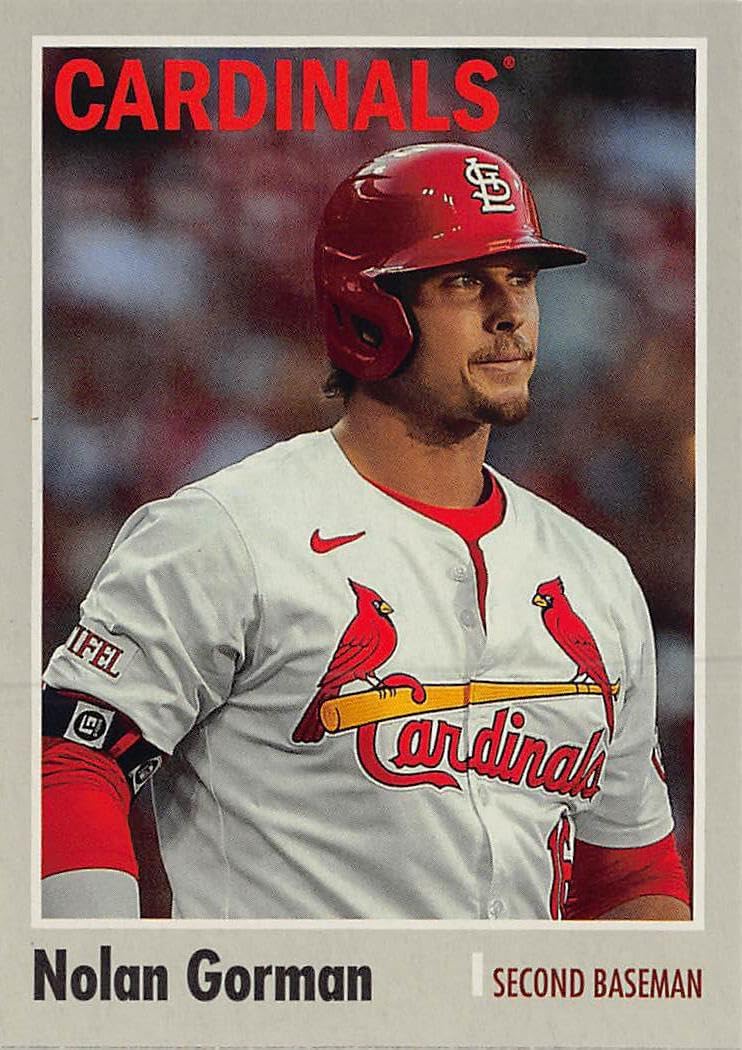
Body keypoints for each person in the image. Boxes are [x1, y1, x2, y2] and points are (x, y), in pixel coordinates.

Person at [41, 142, 690, 920]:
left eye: (521, 278)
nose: (509, 311)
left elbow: (630, 873)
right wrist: (100, 973)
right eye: (464, 282)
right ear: (368, 312)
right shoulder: (225, 532)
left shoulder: (596, 575)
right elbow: (73, 759)